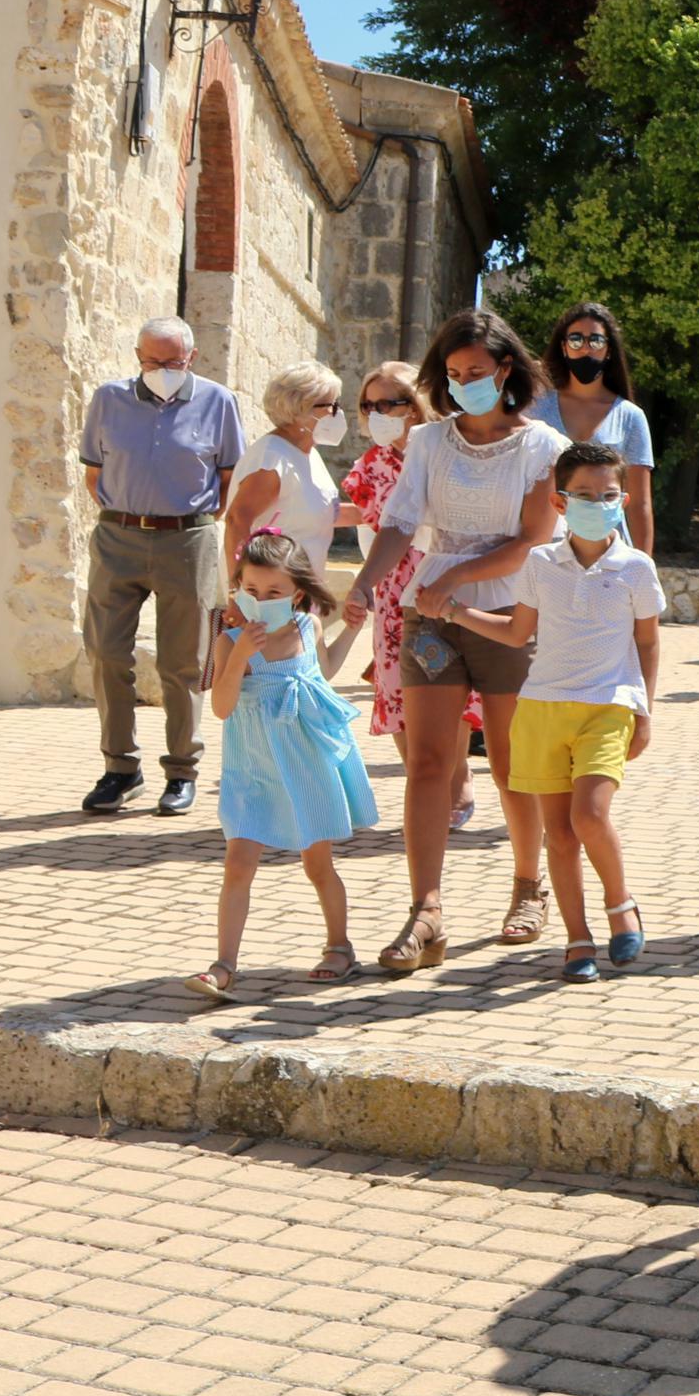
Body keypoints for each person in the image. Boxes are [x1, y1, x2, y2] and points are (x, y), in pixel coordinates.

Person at [342, 310, 568, 971]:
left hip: (508, 616)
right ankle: (426, 911)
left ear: (507, 371)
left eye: (478, 372)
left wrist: (461, 577)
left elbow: (530, 540)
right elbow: (400, 523)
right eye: (455, 373)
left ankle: (529, 886)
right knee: (429, 764)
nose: (466, 382)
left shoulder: (542, 448)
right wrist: (363, 587)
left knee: (510, 762)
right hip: (429, 616)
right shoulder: (430, 443)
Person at [434, 442, 663, 981]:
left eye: (607, 495)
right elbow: (517, 632)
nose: (596, 503)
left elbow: (648, 643)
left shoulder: (636, 568)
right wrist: (455, 610)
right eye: (583, 494)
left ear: (623, 499)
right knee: (557, 836)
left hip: (607, 707)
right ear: (560, 504)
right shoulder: (539, 562)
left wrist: (645, 709)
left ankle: (620, 905)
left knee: (590, 816)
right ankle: (577, 940)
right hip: (541, 709)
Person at [184, 531, 376, 1001]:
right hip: (252, 768)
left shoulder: (308, 628)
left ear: (298, 595)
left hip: (304, 763)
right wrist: (242, 657)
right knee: (238, 862)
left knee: (318, 864)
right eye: (251, 591)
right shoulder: (231, 641)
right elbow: (222, 708)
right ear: (237, 588)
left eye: (274, 594)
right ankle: (224, 964)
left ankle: (340, 946)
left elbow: (324, 671)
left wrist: (351, 629)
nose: (261, 601)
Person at [81, 317, 245, 817]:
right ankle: (119, 768)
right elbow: (93, 473)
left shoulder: (218, 402)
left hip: (187, 540)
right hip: (118, 536)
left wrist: (192, 519)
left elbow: (229, 476)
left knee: (183, 663)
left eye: (172, 362)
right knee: (107, 653)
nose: (161, 370)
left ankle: (181, 771)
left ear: (190, 358)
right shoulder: (108, 399)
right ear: (137, 357)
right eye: (151, 361)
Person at [338, 363, 484, 826]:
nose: (377, 412)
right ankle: (422, 781)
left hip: (446, 577)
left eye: (389, 403)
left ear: (415, 404)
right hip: (393, 586)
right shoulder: (371, 465)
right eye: (369, 404)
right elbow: (359, 515)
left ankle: (456, 780)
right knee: (396, 684)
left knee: (453, 681)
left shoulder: (452, 449)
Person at [525, 303, 658, 554]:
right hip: (546, 550)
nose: (586, 348)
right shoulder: (535, 408)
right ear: (563, 347)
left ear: (609, 350)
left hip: (610, 555)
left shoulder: (630, 417)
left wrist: (645, 566)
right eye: (576, 340)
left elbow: (639, 504)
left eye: (596, 340)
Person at [224, 362, 355, 583]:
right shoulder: (271, 458)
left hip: (301, 591)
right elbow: (237, 521)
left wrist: (377, 512)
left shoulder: (307, 453)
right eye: (331, 405)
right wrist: (240, 592)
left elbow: (318, 512)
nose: (337, 412)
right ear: (302, 408)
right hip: (270, 597)